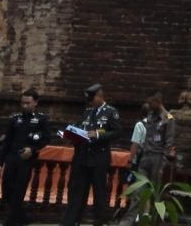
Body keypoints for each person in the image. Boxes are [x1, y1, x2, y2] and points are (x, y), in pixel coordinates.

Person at [60, 83, 121, 226]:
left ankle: (100, 222)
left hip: (99, 158)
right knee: (77, 192)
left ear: (99, 96)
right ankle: (71, 222)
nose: (90, 102)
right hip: (82, 157)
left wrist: (98, 135)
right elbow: (79, 127)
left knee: (99, 193)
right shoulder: (87, 111)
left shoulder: (110, 112)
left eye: (91, 99)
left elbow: (117, 132)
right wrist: (70, 135)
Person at [0, 87, 52, 226]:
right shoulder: (15, 119)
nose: (25, 106)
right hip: (11, 157)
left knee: (19, 190)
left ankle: (10, 222)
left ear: (35, 103)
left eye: (28, 103)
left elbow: (46, 139)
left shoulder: (41, 119)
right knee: (7, 189)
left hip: (26, 160)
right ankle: (22, 218)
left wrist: (33, 149)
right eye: (22, 103)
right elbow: (7, 141)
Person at [122, 94, 176, 225]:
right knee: (138, 190)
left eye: (151, 103)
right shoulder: (150, 116)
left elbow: (169, 143)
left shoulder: (169, 118)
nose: (149, 106)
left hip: (158, 158)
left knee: (155, 192)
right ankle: (128, 221)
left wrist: (163, 165)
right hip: (145, 157)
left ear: (158, 102)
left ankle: (153, 221)